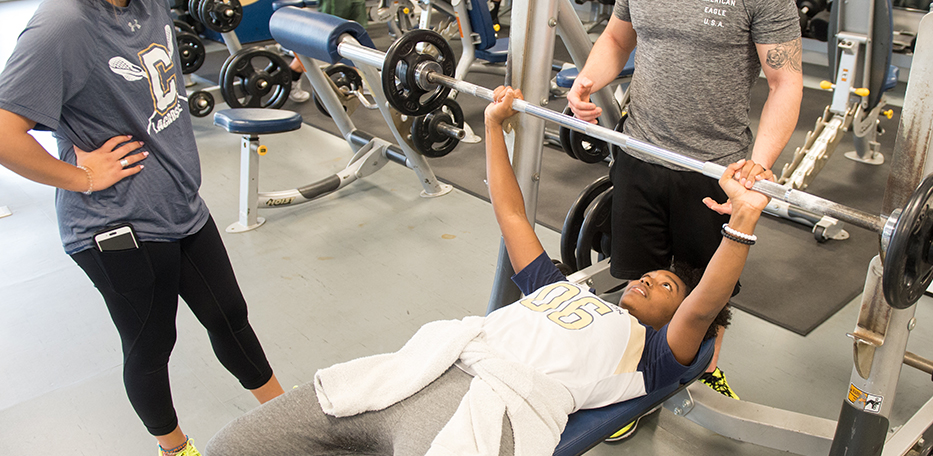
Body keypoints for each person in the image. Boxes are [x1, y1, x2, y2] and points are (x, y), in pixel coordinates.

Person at [205, 86, 766, 454]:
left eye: (664, 286)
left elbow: (705, 301)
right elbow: (512, 214)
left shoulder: (654, 356)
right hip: (421, 369)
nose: (645, 277)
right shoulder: (558, 289)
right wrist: (495, 126)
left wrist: (740, 223)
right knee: (240, 443)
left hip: (485, 409)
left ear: (673, 321)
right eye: (652, 275)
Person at [0, 0, 284, 456]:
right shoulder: (61, 26)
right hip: (117, 225)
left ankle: (292, 419)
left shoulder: (146, 0)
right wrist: (82, 175)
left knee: (230, 314)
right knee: (152, 345)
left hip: (178, 203)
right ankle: (176, 450)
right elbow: (4, 132)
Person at [566, 0, 803, 401]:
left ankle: (703, 371)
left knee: (707, 293)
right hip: (639, 152)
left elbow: (785, 83)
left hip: (713, 171)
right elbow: (618, 39)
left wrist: (758, 168)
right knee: (637, 283)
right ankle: (629, 389)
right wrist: (588, 79)